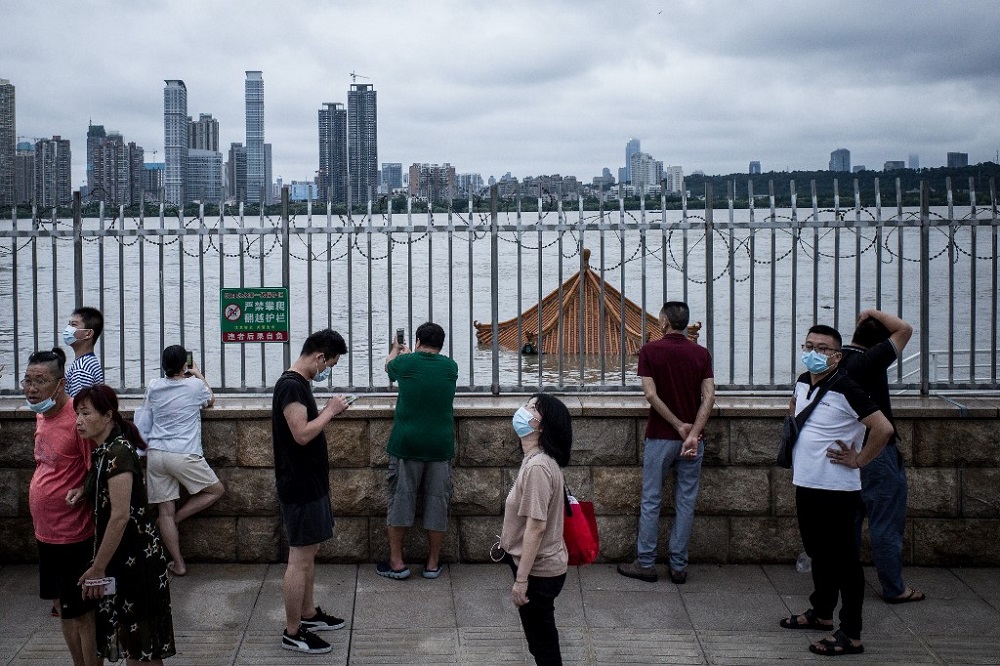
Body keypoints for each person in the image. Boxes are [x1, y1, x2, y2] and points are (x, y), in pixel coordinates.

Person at [779, 324, 894, 657]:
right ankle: (822, 612)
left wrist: (858, 460)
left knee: (845, 562)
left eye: (823, 349)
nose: (815, 353)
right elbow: (795, 411)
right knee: (819, 553)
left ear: (837, 356)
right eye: (809, 346)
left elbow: (883, 428)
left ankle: (852, 633)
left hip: (837, 490)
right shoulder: (803, 381)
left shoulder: (846, 388)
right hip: (807, 484)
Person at [72, 384, 175, 664]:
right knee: (133, 643)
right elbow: (104, 487)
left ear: (107, 416)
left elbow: (120, 516)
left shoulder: (118, 453)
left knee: (144, 648)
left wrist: (98, 567)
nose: (78, 421)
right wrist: (83, 491)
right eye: (76, 414)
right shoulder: (104, 449)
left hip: (137, 560)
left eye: (85, 413)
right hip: (123, 558)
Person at [618, 301, 714, 585]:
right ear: (685, 324)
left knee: (651, 499)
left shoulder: (650, 351)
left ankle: (646, 563)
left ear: (663, 323)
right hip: (693, 442)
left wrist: (677, 425)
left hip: (661, 436)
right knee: (686, 501)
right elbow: (708, 397)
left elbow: (650, 394)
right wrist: (693, 433)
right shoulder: (701, 354)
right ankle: (678, 566)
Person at [272, 329, 351, 654]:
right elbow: (301, 434)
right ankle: (293, 631)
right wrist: (330, 411)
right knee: (299, 558)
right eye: (330, 363)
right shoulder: (291, 386)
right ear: (319, 357)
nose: (328, 370)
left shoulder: (300, 384)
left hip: (311, 483)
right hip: (300, 486)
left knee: (310, 551)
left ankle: (308, 613)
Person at [840, 309, 924, 604]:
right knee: (885, 523)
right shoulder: (870, 360)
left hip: (845, 452)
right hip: (875, 453)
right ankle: (894, 588)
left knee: (847, 522)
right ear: (880, 345)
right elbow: (905, 329)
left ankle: (844, 581)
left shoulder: (836, 361)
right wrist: (871, 312)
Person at [23, 349, 100, 666]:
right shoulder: (41, 415)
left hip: (74, 535)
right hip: (45, 532)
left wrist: (82, 490)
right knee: (60, 607)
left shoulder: (78, 419)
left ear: (60, 383)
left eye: (40, 381)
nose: (31, 388)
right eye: (27, 380)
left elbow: (96, 469)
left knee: (81, 612)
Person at [378, 321, 459, 580]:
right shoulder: (451, 367)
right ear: (441, 344)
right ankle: (432, 564)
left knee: (401, 501)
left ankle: (397, 563)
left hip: (406, 445)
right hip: (440, 447)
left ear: (417, 340)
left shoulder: (406, 362)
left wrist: (396, 350)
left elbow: (388, 369)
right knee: (437, 505)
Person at [500, 393, 572, 665]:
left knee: (543, 645)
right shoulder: (536, 459)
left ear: (542, 426)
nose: (523, 409)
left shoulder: (539, 467)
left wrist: (521, 580)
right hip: (542, 567)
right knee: (541, 639)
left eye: (531, 407)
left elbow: (536, 528)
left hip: (540, 571)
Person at [144, 345, 224, 577]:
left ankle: (178, 564)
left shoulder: (154, 386)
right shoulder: (194, 385)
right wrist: (197, 373)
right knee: (216, 490)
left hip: (156, 454)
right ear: (184, 365)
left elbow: (147, 412)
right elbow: (211, 400)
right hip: (184, 453)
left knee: (164, 512)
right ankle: (178, 518)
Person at [64, 306, 104, 398]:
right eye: (68, 324)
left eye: (74, 325)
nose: (68, 329)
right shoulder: (89, 362)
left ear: (88, 333)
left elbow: (80, 406)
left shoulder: (81, 369)